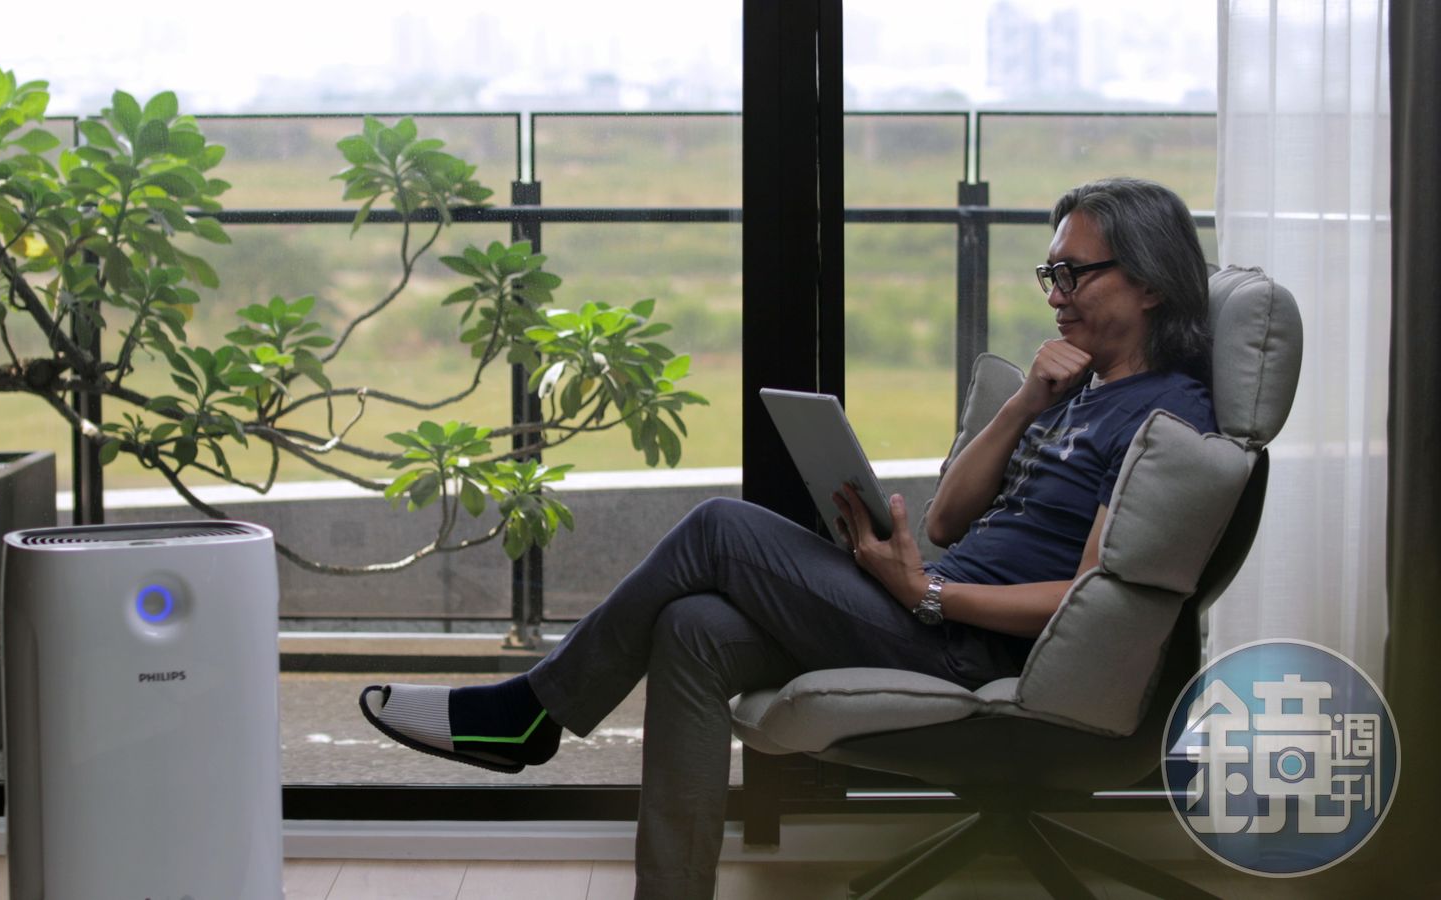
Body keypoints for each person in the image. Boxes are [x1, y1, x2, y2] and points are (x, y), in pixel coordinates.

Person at [358, 177, 1218, 899]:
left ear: (1148, 283)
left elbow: (1087, 600)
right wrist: (1026, 401)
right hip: (932, 608)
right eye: (1050, 273)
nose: (1056, 294)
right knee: (692, 628)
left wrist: (924, 592)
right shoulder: (1073, 392)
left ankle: (529, 714)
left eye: (1074, 274)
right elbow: (946, 522)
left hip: (973, 646)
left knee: (718, 528)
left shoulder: (1164, 423)